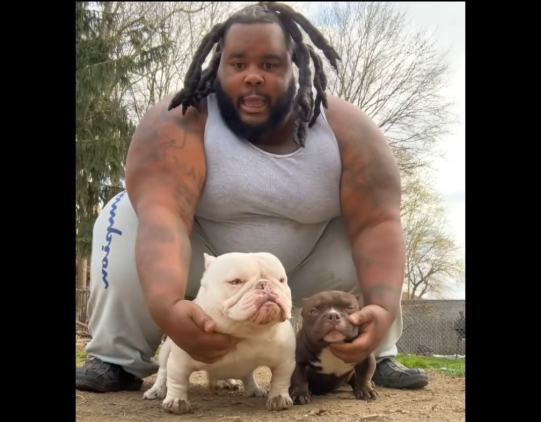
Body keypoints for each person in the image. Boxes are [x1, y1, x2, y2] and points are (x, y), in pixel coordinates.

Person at [76, 1, 428, 393]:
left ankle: (376, 350)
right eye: (238, 64)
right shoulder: (180, 119)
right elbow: (164, 216)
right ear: (219, 67)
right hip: (205, 267)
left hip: (308, 268)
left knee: (375, 225)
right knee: (124, 210)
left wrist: (383, 309)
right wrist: (168, 307)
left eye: (270, 64)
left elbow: (378, 223)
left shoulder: (348, 129)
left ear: (294, 67)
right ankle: (117, 355)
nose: (253, 76)